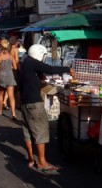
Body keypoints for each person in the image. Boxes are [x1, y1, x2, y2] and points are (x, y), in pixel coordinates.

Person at [17, 44, 73, 174]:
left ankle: (31, 159)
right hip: (34, 103)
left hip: (25, 103)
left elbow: (26, 81)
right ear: (39, 54)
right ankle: (42, 162)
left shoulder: (25, 63)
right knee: (40, 131)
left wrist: (39, 81)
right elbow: (51, 68)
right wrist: (67, 69)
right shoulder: (33, 62)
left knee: (28, 132)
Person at [0, 39, 18, 119]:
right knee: (11, 96)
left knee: (0, 94)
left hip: (1, 75)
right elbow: (15, 67)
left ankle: (0, 111)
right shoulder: (11, 56)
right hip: (10, 75)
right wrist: (9, 68)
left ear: (0, 46)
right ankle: (13, 114)